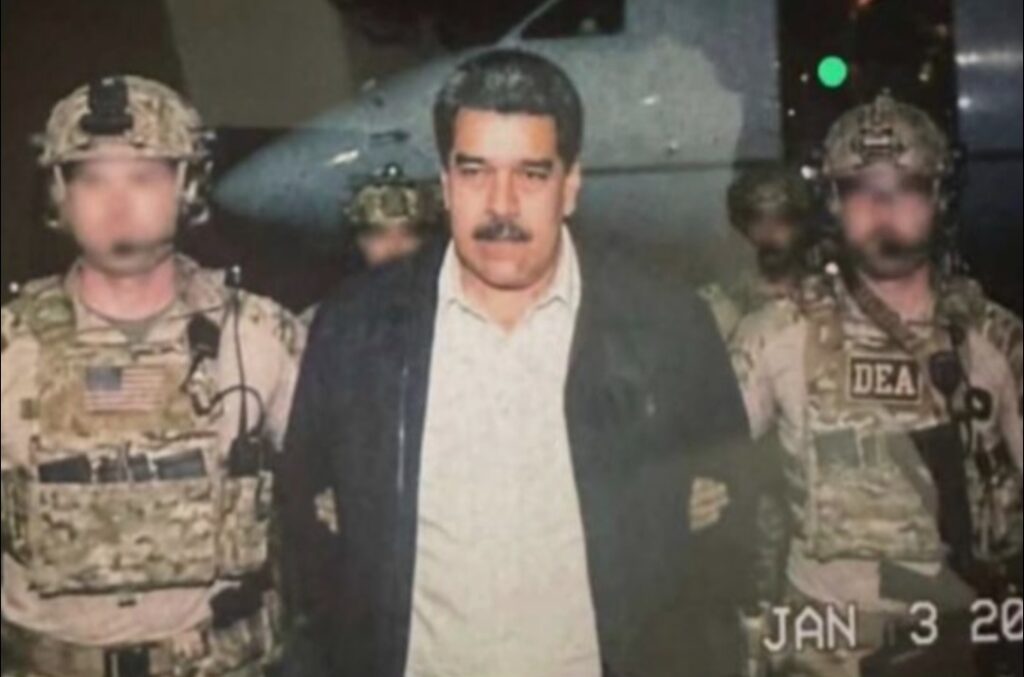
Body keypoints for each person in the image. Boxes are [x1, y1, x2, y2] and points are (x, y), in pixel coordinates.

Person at [283, 49, 752, 677]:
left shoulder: (666, 328)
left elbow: (724, 539)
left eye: (531, 174)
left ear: (570, 185)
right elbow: (308, 541)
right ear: (445, 183)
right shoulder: (356, 330)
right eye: (475, 171)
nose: (500, 206)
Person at [0, 76, 305, 677]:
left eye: (142, 177)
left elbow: (333, 500)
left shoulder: (260, 338)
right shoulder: (10, 349)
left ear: (188, 186)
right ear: (59, 193)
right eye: (92, 179)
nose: (116, 202)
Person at [731, 91, 1023, 677]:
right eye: (860, 189)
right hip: (825, 648)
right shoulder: (775, 338)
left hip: (961, 640)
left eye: (905, 187)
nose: (882, 207)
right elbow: (705, 485)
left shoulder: (994, 342)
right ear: (833, 204)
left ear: (939, 198)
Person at [700, 166, 815, 342]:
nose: (769, 231)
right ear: (742, 228)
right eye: (757, 219)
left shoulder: (827, 301)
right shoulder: (721, 307)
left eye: (782, 219)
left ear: (799, 226)